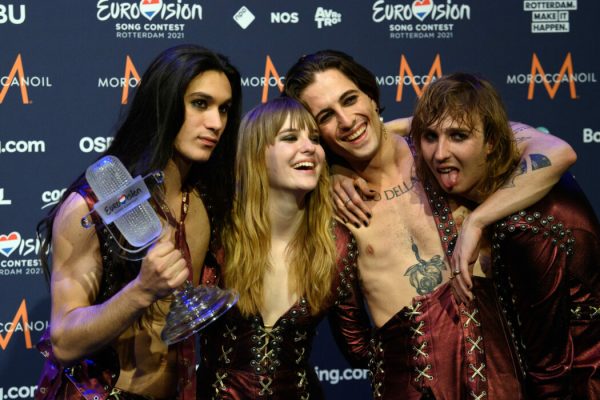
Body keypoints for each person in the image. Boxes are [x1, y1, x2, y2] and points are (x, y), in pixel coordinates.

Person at [283, 50, 577, 399]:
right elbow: (355, 342)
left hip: (501, 379)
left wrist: (477, 220)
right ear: (313, 132)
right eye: (326, 116)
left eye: (350, 99)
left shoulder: (442, 152)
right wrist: (332, 173)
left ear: (372, 97)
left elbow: (557, 152)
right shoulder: (330, 203)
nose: (346, 120)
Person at [34, 44, 242, 400]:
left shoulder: (207, 201)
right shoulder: (91, 206)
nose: (216, 123)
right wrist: (142, 290)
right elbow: (64, 341)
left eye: (224, 109)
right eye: (200, 104)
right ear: (162, 103)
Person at [412, 72, 600, 399]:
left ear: (491, 143)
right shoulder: (508, 172)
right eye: (430, 136)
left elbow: (550, 370)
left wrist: (475, 223)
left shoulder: (524, 228)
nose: (440, 153)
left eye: (458, 136)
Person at [196, 97, 371, 399]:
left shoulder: (337, 243)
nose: (310, 148)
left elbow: (359, 350)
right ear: (255, 154)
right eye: (290, 138)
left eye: (315, 139)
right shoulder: (216, 228)